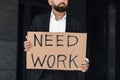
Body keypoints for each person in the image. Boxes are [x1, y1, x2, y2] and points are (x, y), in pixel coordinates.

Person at [24, 0, 89, 80]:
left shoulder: (76, 24)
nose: (62, 1)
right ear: (50, 2)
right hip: (41, 75)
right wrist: (28, 45)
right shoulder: (38, 20)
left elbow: (82, 48)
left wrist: (85, 61)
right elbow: (31, 44)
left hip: (66, 75)